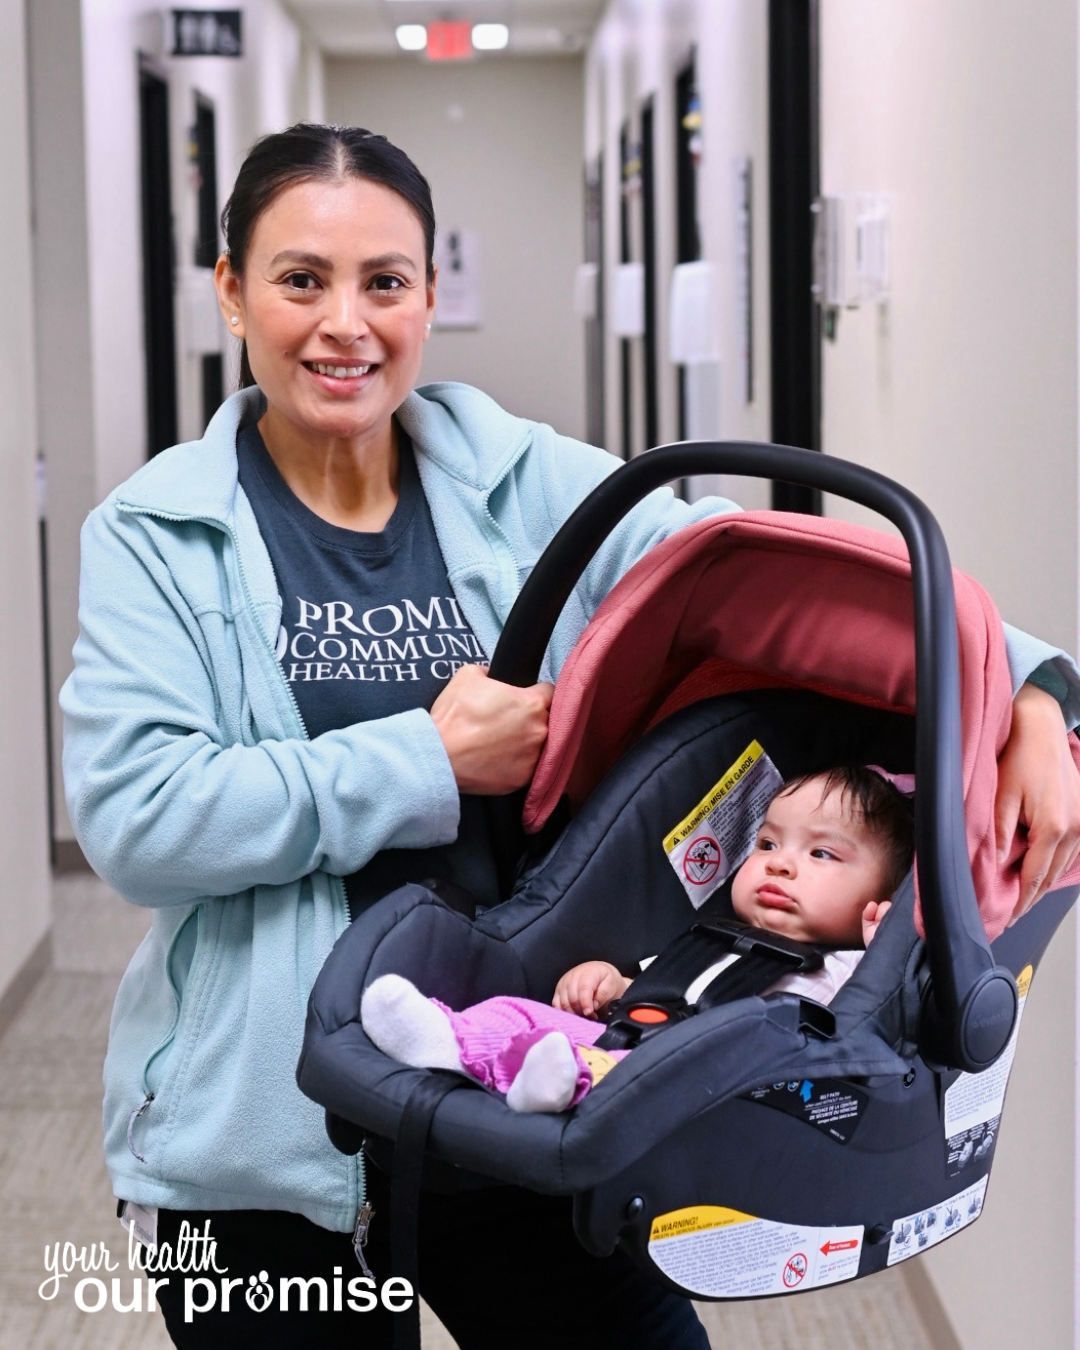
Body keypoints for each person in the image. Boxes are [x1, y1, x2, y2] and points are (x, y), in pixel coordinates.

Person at [59, 123, 1080, 1349]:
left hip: (528, 1090)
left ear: (431, 295)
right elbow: (140, 820)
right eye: (299, 279)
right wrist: (428, 764)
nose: (347, 324)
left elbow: (771, 583)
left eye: (385, 281)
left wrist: (1025, 686)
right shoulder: (157, 534)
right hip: (263, 1147)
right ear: (231, 292)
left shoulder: (521, 479)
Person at [360, 767, 912, 1113]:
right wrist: (610, 981)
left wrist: (885, 948)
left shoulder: (846, 972)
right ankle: (446, 1040)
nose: (780, 865)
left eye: (821, 854)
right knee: (515, 1009)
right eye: (767, 843)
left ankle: (551, 1079)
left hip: (711, 1091)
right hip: (632, 1043)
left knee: (608, 1073)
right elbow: (657, 989)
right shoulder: (714, 937)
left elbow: (875, 1023)